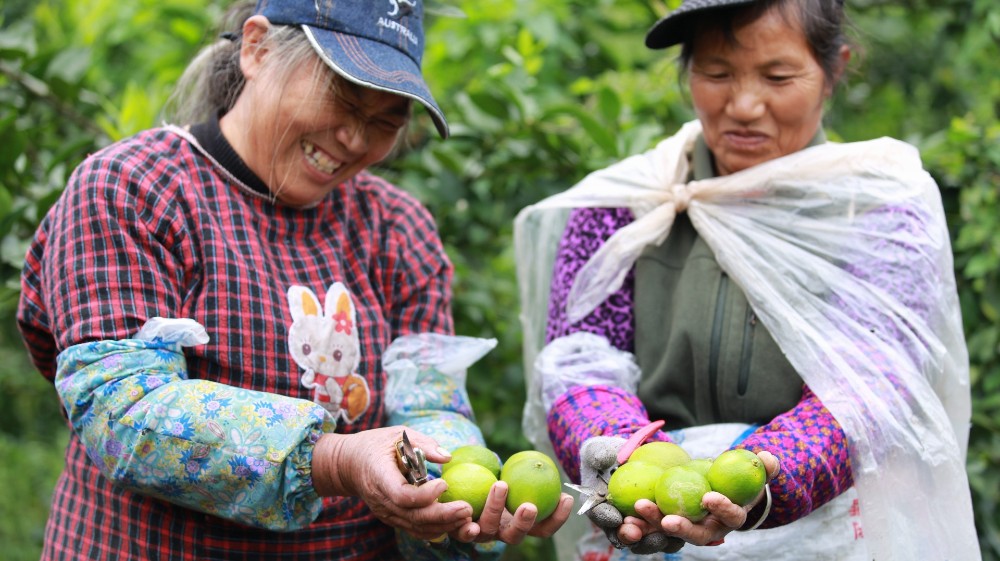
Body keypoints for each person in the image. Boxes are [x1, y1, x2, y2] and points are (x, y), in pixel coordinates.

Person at [16, 1, 572, 560]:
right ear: (257, 49)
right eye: (343, 99)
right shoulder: (135, 189)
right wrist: (337, 460)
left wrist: (451, 500)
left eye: (385, 121)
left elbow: (428, 405)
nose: (355, 139)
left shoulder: (398, 230)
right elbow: (124, 412)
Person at [513, 0, 978, 559]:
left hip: (815, 540)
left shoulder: (877, 212)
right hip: (643, 521)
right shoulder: (629, 205)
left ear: (834, 69)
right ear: (687, 72)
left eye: (778, 76)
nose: (745, 105)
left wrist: (762, 480)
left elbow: (868, 387)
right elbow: (579, 359)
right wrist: (630, 456)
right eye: (716, 73)